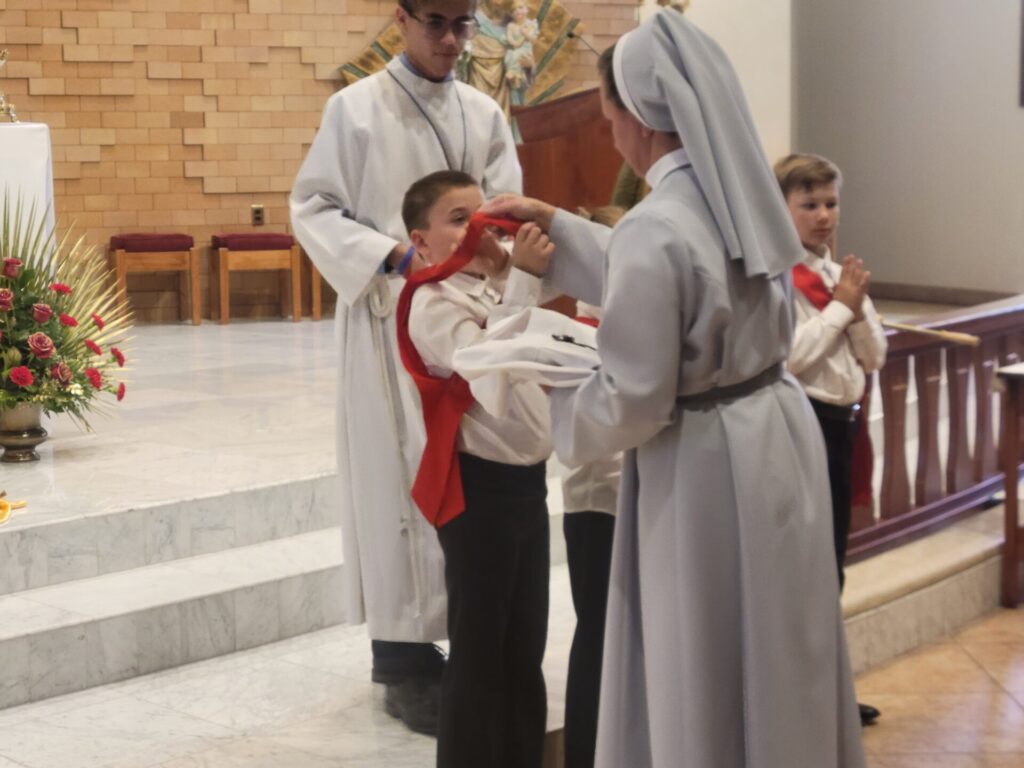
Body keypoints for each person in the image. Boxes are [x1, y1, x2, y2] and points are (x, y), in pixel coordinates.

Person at [484, 9, 866, 767]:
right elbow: (684, 277)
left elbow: (634, 395)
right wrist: (556, 223)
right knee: (777, 644)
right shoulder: (740, 194)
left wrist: (553, 387)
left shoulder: (657, 223)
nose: (611, 133)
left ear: (637, 117)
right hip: (775, 432)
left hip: (704, 463)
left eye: (609, 117)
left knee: (706, 652)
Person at [289, 0, 521, 735]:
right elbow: (313, 207)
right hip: (388, 319)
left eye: (464, 24)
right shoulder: (355, 109)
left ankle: (466, 646)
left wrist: (491, 258)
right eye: (435, 23)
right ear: (401, 17)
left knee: (463, 476)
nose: (451, 40)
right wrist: (394, 255)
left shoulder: (484, 112)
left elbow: (506, 209)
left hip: (468, 320)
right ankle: (402, 662)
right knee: (397, 480)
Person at [399, 170, 554, 768]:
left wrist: (511, 277)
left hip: (525, 486)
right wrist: (522, 280)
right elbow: (491, 373)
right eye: (459, 219)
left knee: (524, 648)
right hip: (479, 491)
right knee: (480, 654)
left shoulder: (491, 287)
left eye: (481, 215)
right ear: (421, 241)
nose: (478, 229)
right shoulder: (431, 303)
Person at [775, 152, 888, 726]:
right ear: (781, 208)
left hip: (844, 426)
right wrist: (843, 308)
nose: (824, 216)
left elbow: (875, 355)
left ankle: (830, 695)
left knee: (832, 567)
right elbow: (791, 358)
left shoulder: (837, 275)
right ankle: (802, 699)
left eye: (831, 203)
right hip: (804, 424)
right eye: (809, 205)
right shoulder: (779, 277)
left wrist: (853, 308)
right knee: (805, 569)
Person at [561, 206, 622, 768]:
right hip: (596, 510)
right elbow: (580, 441)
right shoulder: (576, 338)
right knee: (599, 637)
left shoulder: (633, 334)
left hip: (634, 508)